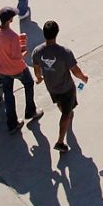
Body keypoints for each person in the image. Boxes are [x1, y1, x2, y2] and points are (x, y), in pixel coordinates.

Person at [33, 20, 89, 152]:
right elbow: (75, 71)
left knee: (60, 103)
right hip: (66, 88)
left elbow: (36, 68)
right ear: (57, 33)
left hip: (51, 87)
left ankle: (66, 111)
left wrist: (39, 77)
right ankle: (60, 141)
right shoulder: (64, 52)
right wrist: (84, 78)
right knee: (66, 114)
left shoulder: (37, 51)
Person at [0, 6, 41, 133]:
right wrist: (24, 49)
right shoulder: (12, 36)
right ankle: (31, 110)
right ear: (10, 20)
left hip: (2, 69)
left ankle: (12, 123)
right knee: (29, 84)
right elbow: (18, 56)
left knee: (8, 94)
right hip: (17, 68)